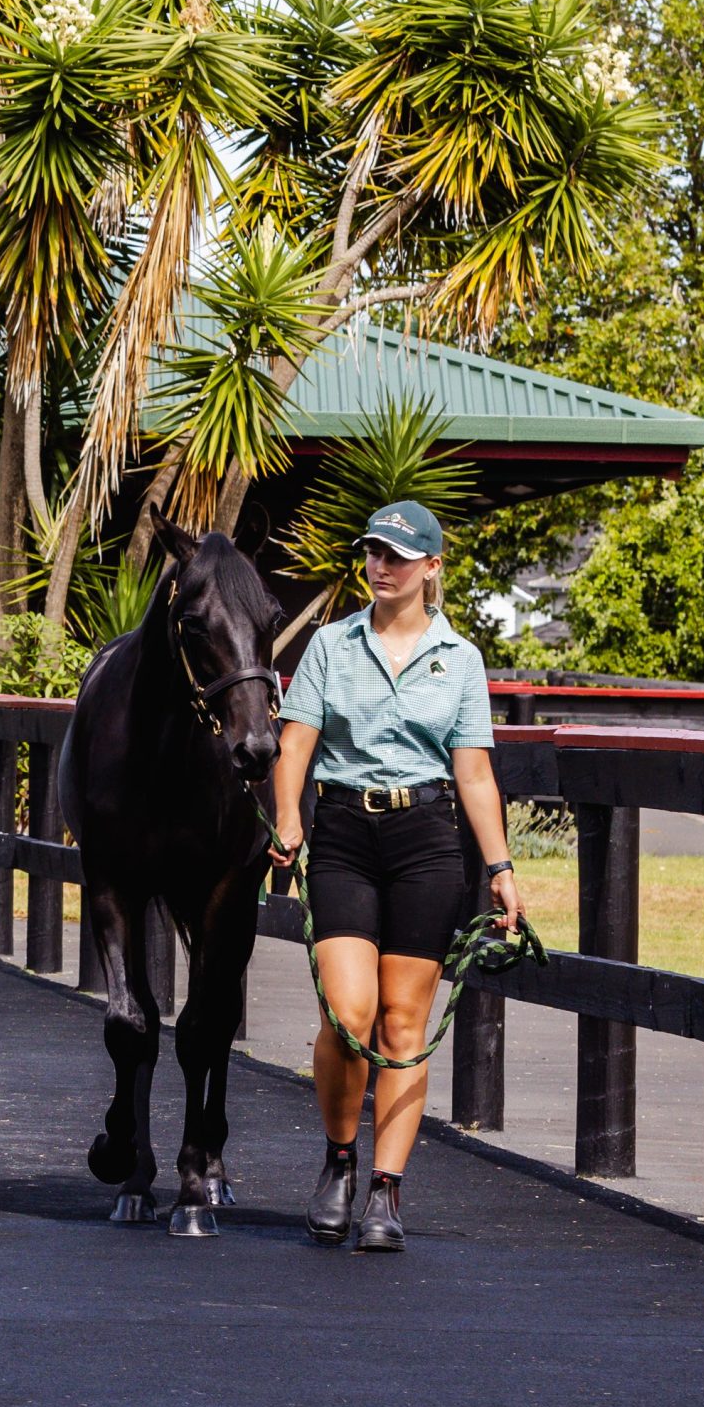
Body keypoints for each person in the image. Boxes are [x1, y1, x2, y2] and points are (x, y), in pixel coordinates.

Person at [266, 500, 523, 1253]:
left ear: (431, 567)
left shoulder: (461, 659)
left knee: (405, 1024)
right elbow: (294, 745)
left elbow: (474, 773)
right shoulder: (330, 645)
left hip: (427, 840)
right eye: (375, 553)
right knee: (348, 1015)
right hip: (343, 832)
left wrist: (501, 867)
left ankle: (386, 1188)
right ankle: (338, 1159)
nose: (382, 566)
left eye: (399, 556)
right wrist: (289, 818)